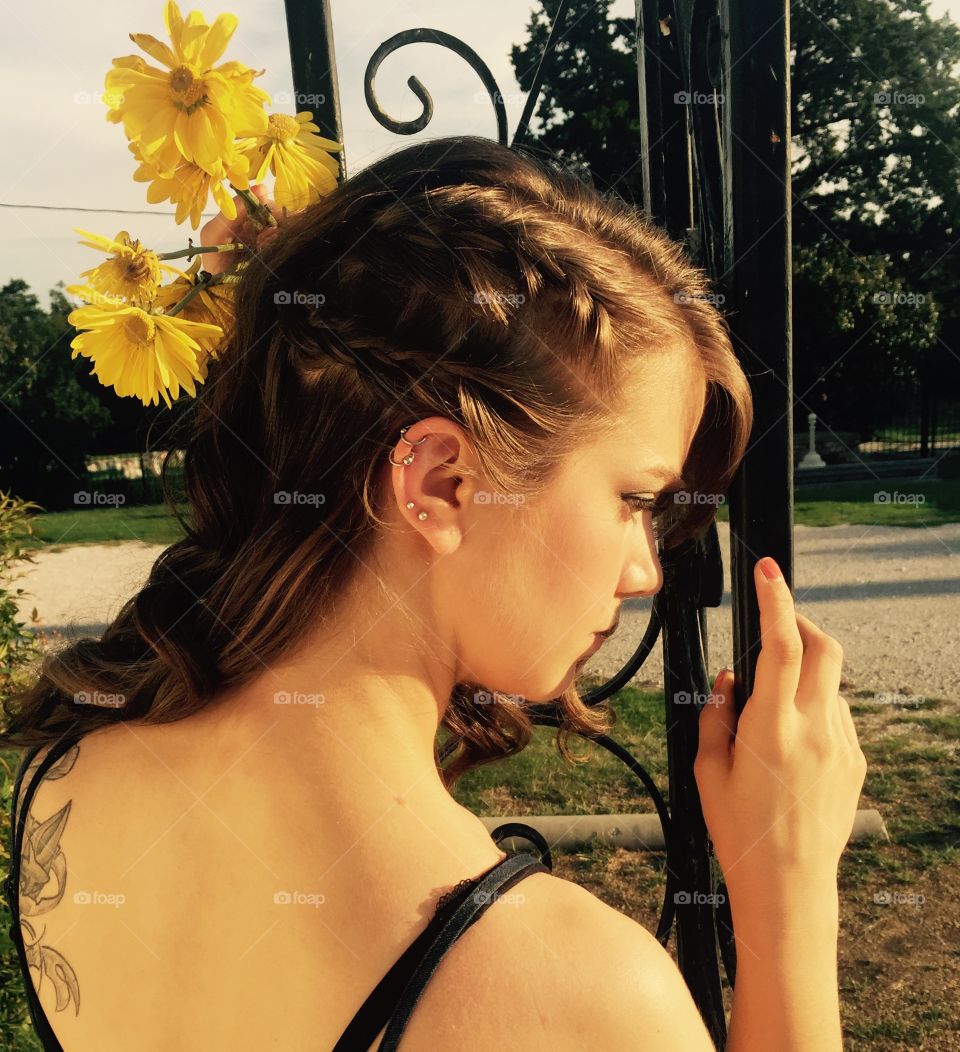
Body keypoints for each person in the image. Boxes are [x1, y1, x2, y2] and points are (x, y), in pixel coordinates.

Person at [1, 134, 865, 1051]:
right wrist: (789, 903)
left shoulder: (63, 782)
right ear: (441, 484)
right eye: (633, 501)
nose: (647, 568)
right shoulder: (576, 994)